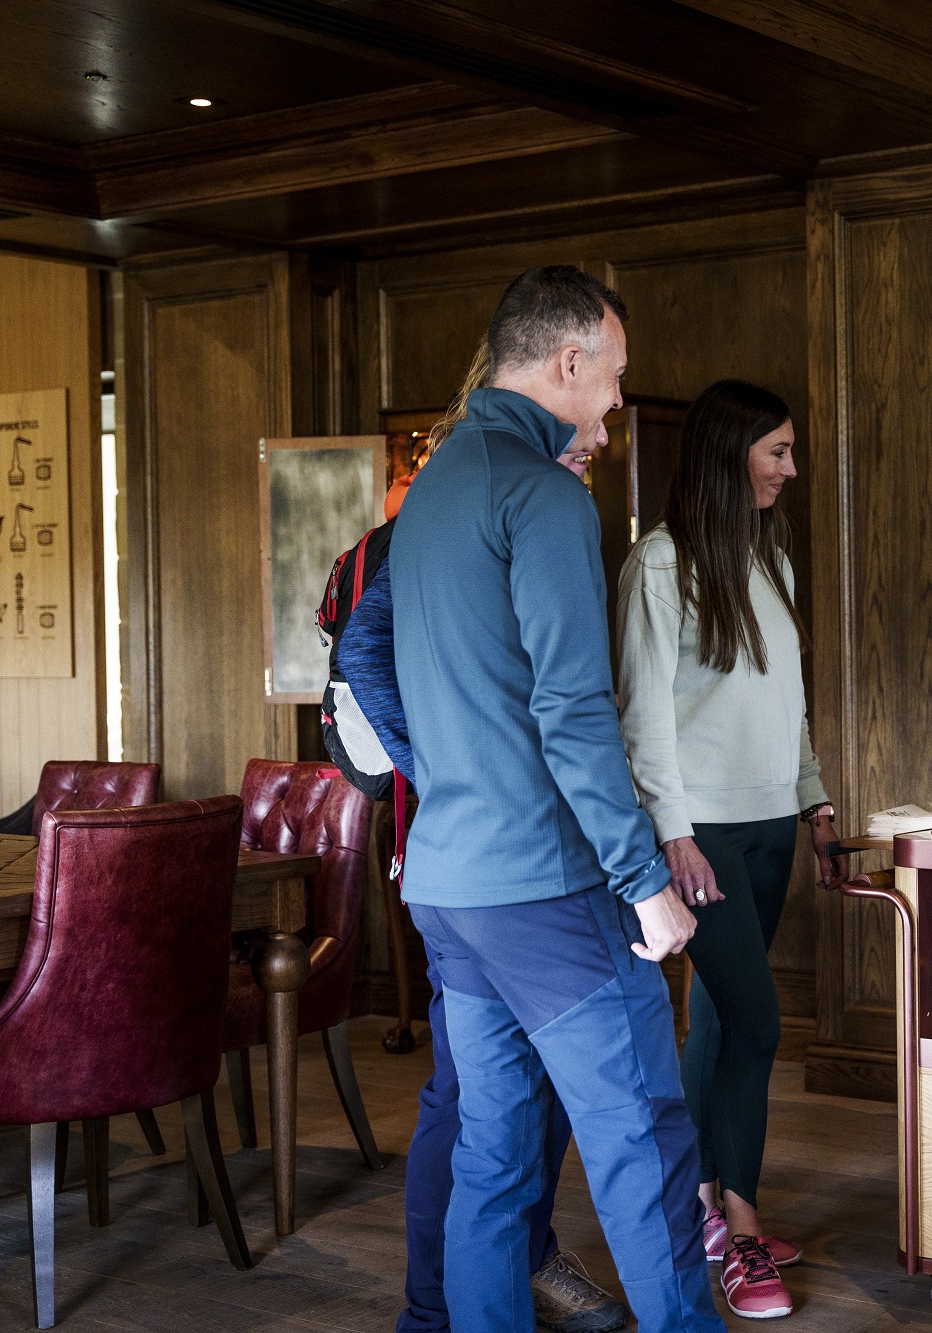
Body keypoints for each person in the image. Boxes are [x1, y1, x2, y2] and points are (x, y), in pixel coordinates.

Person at [390, 266, 723, 1333]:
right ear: (566, 363)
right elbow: (573, 710)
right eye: (615, 376)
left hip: (447, 885)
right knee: (641, 1138)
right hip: (543, 887)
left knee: (491, 1151)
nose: (618, 400)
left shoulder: (432, 485)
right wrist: (643, 882)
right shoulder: (540, 496)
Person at [339, 343, 635, 1333]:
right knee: (478, 1105)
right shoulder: (453, 511)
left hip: (498, 856)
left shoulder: (494, 506)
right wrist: (449, 769)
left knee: (506, 1111)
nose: (597, 431)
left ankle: (497, 1281)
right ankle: (442, 1305)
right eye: (589, 408)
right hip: (487, 860)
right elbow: (361, 656)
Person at [614, 380, 848, 1321]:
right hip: (699, 833)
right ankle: (740, 1231)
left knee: (718, 1019)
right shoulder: (659, 567)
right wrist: (673, 835)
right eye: (777, 452)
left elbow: (785, 704)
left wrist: (816, 802)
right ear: (729, 452)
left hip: (766, 826)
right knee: (757, 1025)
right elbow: (642, 721)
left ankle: (702, 1205)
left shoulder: (773, 562)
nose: (790, 470)